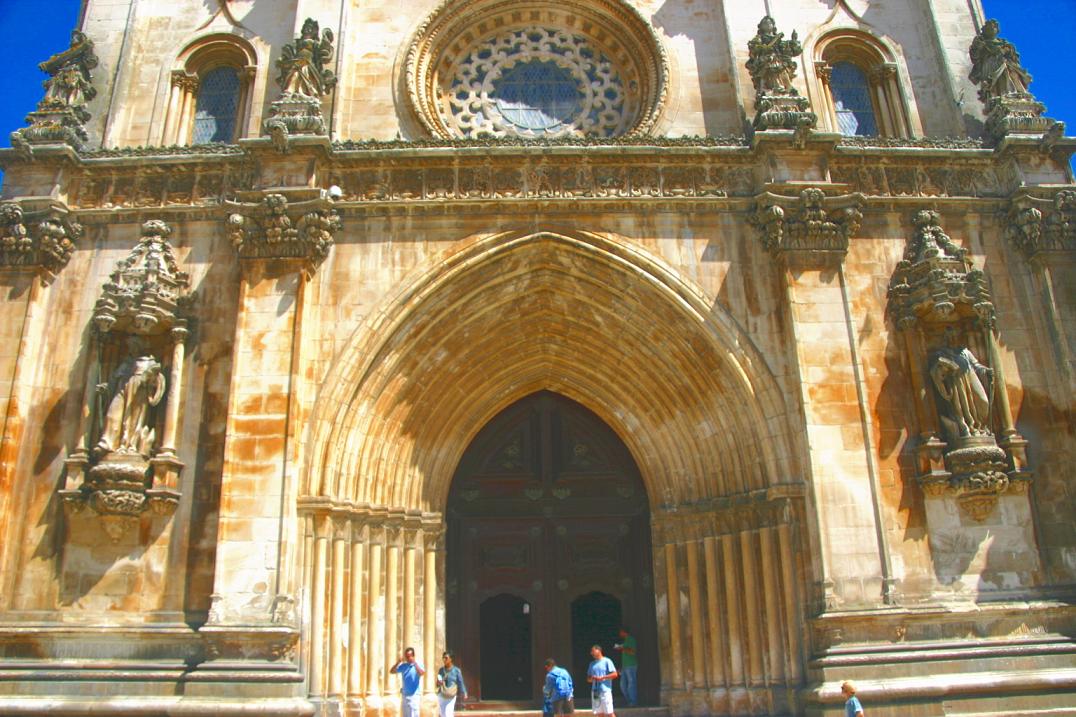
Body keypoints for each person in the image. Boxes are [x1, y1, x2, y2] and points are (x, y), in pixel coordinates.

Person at [391, 647, 426, 717]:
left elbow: (422, 673)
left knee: (414, 715)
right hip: (405, 695)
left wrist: (415, 664)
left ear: (413, 656)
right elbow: (392, 671)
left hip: (414, 695)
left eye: (409, 656)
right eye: (406, 656)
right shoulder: (404, 666)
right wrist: (398, 662)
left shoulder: (418, 664)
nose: (408, 658)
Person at [586, 645, 618, 717]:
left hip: (605, 690)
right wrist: (592, 678)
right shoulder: (592, 664)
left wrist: (603, 677)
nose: (592, 653)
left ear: (599, 650)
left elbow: (615, 674)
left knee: (609, 712)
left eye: (593, 651)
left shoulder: (607, 661)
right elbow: (588, 679)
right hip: (595, 692)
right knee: (599, 713)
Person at [435, 651, 467, 717]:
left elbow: (460, 682)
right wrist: (439, 682)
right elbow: (438, 683)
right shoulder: (441, 670)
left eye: (446, 658)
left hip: (451, 696)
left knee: (448, 713)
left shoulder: (456, 670)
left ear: (451, 659)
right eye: (443, 658)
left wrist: (464, 692)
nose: (444, 660)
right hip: (442, 694)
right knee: (442, 714)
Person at [612, 627, 637, 707]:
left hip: (631, 665)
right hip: (625, 666)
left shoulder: (631, 639)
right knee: (623, 685)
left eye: (621, 632)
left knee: (631, 684)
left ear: (624, 632)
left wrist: (621, 648)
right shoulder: (625, 641)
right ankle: (629, 701)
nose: (620, 634)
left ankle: (633, 702)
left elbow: (632, 652)